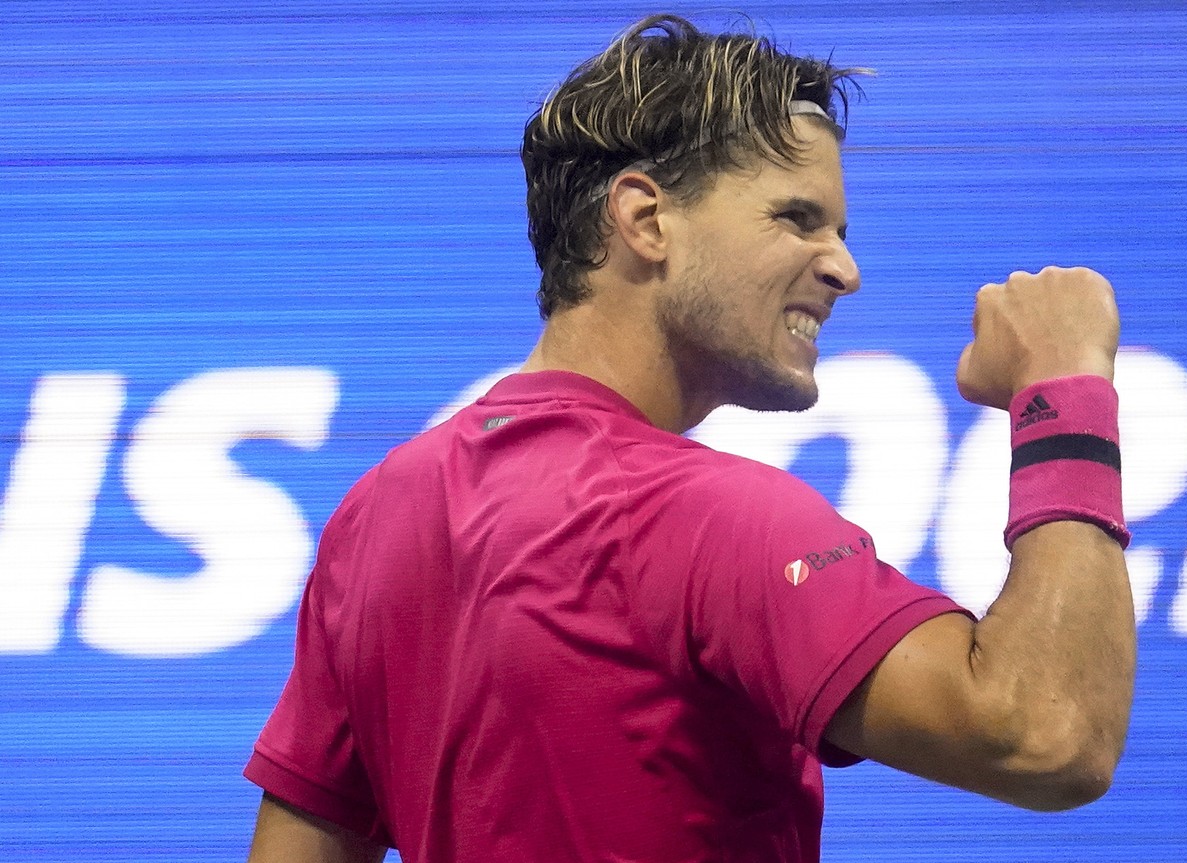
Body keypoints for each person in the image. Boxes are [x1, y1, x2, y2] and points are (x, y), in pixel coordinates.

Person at [244, 13, 1135, 863]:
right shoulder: (711, 515)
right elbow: (1048, 732)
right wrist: (1065, 383)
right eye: (797, 217)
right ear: (645, 218)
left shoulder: (377, 514)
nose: (845, 270)